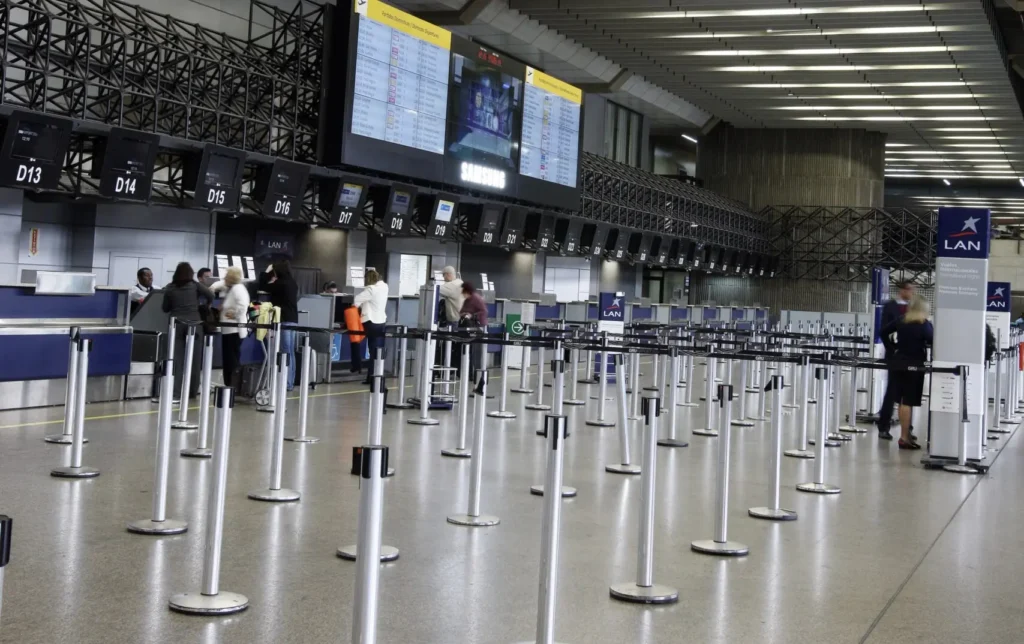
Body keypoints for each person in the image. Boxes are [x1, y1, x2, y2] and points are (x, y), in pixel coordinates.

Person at [879, 295, 933, 450]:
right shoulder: (924, 324)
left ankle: (906, 435)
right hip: (914, 365)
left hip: (898, 362)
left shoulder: (902, 320)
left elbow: (883, 332)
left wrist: (892, 347)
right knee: (908, 401)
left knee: (902, 401)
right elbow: (932, 339)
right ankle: (904, 437)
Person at [162, 262, 214, 398]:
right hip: (194, 324)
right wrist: (205, 305)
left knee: (176, 360)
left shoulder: (170, 288)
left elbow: (165, 308)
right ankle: (192, 391)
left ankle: (175, 392)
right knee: (195, 359)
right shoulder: (195, 285)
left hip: (176, 325)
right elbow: (211, 295)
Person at [877, 280, 915, 440]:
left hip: (911, 355)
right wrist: (892, 349)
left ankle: (907, 429)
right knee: (892, 392)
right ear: (903, 290)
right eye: (910, 290)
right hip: (895, 356)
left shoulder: (913, 307)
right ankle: (883, 425)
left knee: (908, 394)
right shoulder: (890, 306)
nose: (912, 293)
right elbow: (884, 330)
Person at [258, 261, 300, 391]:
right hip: (293, 319)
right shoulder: (292, 282)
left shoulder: (280, 284)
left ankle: (286, 383)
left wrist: (266, 272)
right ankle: (289, 382)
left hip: (283, 319)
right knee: (290, 352)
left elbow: (262, 285)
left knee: (285, 351)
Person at [209, 266, 250, 389]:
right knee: (228, 359)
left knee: (231, 360)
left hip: (234, 331)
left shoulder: (238, 289)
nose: (224, 277)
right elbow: (219, 284)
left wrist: (234, 313)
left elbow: (243, 306)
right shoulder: (231, 287)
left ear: (231, 277)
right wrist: (212, 288)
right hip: (228, 331)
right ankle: (229, 385)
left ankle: (231, 386)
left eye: (227, 275)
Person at [354, 269, 389, 384]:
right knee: (378, 351)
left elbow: (357, 299)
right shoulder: (385, 287)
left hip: (371, 322)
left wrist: (356, 308)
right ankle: (376, 376)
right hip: (382, 322)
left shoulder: (371, 289)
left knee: (372, 351)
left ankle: (371, 378)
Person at [459, 281, 488, 384]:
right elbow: (462, 310)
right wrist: (464, 314)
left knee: (476, 353)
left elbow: (484, 311)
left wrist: (472, 315)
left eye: (463, 291)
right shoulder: (467, 300)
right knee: (469, 351)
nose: (462, 293)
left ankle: (477, 375)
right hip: (469, 328)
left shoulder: (476, 298)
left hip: (478, 327)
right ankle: (469, 374)